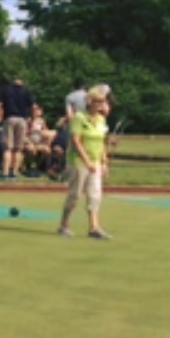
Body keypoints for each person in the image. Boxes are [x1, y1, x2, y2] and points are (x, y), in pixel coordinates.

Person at [58, 86, 113, 240]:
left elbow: (101, 141)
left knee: (95, 194)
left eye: (102, 101)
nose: (100, 104)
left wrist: (104, 161)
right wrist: (86, 161)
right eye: (97, 101)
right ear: (90, 101)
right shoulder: (79, 118)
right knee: (75, 194)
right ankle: (64, 224)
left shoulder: (101, 120)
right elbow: (76, 141)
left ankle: (94, 227)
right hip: (78, 161)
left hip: (95, 161)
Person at [0, 75, 35, 180]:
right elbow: (33, 106)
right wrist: (31, 119)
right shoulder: (26, 92)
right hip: (22, 119)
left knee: (7, 148)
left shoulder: (6, 91)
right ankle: (14, 172)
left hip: (9, 118)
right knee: (18, 148)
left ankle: (5, 172)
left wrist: (1, 118)